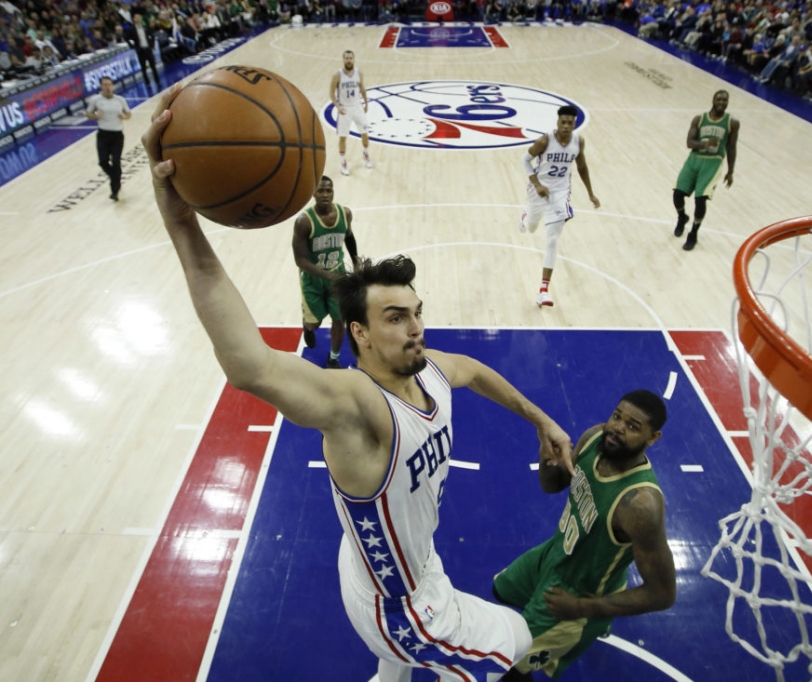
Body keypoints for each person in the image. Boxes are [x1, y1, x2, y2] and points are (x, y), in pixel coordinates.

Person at [143, 84, 575, 682]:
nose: (416, 328)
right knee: (514, 642)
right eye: (395, 318)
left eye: (417, 312)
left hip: (381, 564)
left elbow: (473, 371)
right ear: (360, 335)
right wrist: (180, 222)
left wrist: (541, 419)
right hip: (398, 607)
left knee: (394, 668)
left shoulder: (427, 368)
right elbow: (251, 364)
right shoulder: (356, 404)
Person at [493, 390, 676, 680]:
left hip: (580, 592)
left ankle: (554, 646)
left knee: (510, 665)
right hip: (556, 554)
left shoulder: (641, 505)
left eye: (632, 426)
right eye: (617, 416)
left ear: (652, 438)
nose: (617, 427)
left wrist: (582, 608)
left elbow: (663, 594)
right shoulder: (594, 438)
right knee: (500, 591)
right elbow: (552, 485)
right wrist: (547, 458)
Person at [518, 105, 600, 307]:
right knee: (531, 227)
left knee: (552, 240)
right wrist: (537, 184)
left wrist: (590, 193)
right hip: (538, 191)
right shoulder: (544, 141)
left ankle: (543, 290)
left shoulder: (578, 141)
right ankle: (525, 216)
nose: (566, 126)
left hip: (560, 193)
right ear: (557, 122)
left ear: (574, 123)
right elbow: (525, 160)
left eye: (570, 122)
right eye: (563, 122)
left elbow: (581, 167)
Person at [293, 176, 358, 369]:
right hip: (312, 280)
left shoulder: (344, 213)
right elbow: (300, 260)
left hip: (337, 275)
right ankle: (308, 327)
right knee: (315, 324)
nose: (324, 195)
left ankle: (333, 358)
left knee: (340, 319)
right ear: (313, 193)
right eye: (320, 191)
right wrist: (328, 276)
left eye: (328, 190)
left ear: (333, 192)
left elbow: (350, 238)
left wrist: (356, 264)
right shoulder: (304, 222)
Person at [672, 89, 739, 251]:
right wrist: (705, 144)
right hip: (694, 159)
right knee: (677, 193)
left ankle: (693, 233)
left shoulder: (732, 122)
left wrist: (730, 172)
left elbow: (731, 147)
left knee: (700, 199)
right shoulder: (699, 119)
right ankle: (682, 217)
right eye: (719, 100)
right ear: (713, 100)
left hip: (713, 163)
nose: (722, 103)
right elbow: (689, 142)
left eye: (725, 100)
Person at [84, 76, 131, 201]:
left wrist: (124, 116)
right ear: (101, 86)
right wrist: (95, 116)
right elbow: (88, 114)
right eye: (105, 85)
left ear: (112, 86)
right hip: (103, 134)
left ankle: (114, 190)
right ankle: (115, 178)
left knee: (116, 162)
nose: (108, 87)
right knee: (103, 162)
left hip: (117, 135)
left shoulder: (120, 100)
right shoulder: (95, 100)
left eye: (109, 84)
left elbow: (129, 114)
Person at [330, 50, 371, 176]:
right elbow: (331, 93)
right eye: (346, 58)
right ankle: (343, 163)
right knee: (343, 137)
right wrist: (338, 107)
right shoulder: (337, 75)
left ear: (353, 59)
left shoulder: (359, 73)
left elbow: (362, 88)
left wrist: (366, 103)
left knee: (365, 132)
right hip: (345, 109)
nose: (348, 60)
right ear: (343, 60)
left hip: (357, 106)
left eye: (350, 58)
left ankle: (366, 154)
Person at [126, 13, 161, 92]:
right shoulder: (132, 29)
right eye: (137, 17)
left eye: (139, 17)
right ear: (134, 19)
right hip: (141, 50)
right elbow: (127, 38)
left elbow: (152, 36)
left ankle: (157, 81)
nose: (138, 18)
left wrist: (151, 44)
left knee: (153, 66)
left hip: (148, 49)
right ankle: (147, 83)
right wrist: (133, 47)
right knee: (144, 68)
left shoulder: (145, 27)